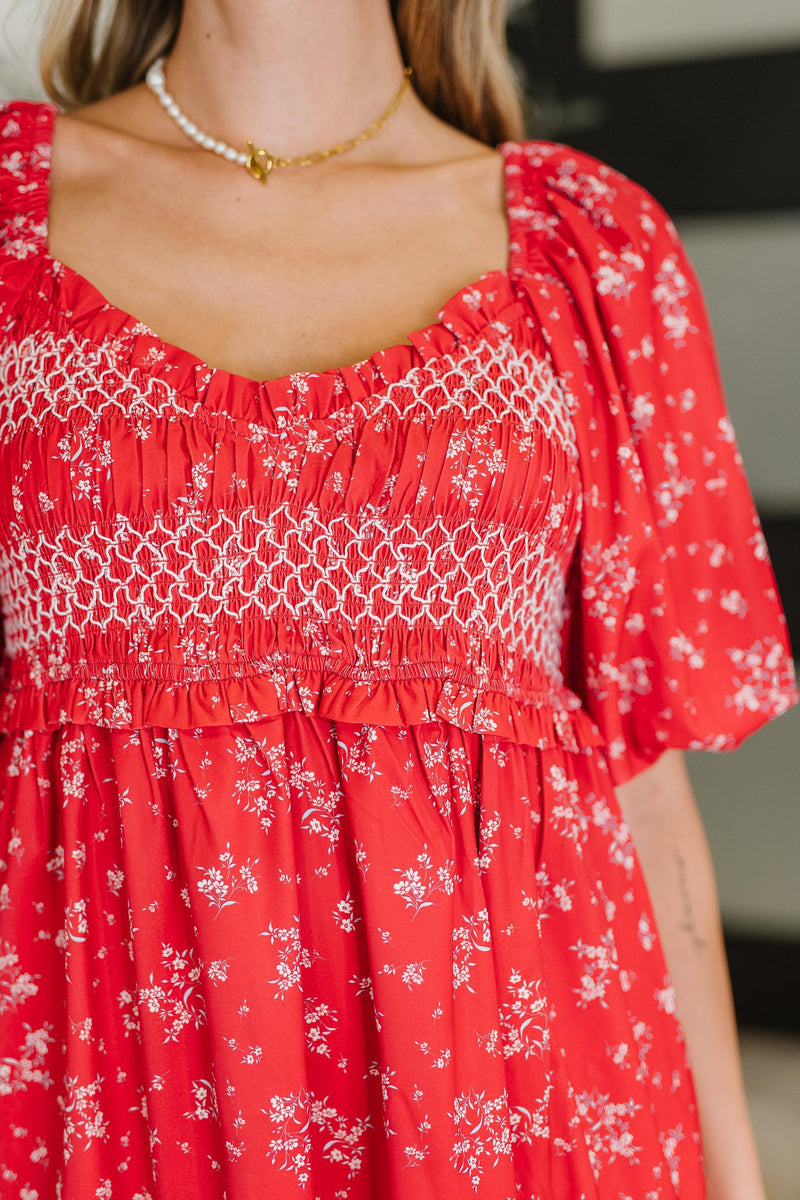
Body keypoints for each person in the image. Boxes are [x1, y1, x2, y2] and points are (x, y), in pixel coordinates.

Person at [0, 1, 796, 1197]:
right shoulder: (14, 206)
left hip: (500, 1102)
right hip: (98, 1081)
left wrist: (736, 1179)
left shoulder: (590, 247)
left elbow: (643, 781)